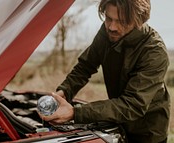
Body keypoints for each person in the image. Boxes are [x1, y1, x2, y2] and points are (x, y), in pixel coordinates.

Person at [39, 0, 170, 142]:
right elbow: (85, 66)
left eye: (122, 21)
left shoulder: (154, 52)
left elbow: (132, 105)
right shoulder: (107, 32)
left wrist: (75, 113)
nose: (112, 27)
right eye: (108, 18)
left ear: (139, 20)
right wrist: (64, 92)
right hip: (117, 123)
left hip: (147, 132)